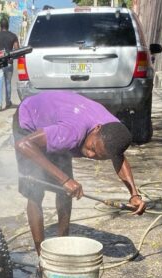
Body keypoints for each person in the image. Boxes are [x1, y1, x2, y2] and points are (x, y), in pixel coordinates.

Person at [14, 91, 146, 256]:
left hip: (57, 122)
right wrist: (64, 179)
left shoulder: (113, 131)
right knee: (35, 191)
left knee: (66, 192)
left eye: (98, 156)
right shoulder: (71, 133)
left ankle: (62, 244)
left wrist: (134, 194)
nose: (90, 155)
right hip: (29, 119)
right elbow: (23, 144)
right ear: (96, 129)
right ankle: (43, 257)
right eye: (92, 148)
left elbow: (119, 156)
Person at [0, 19, 19, 111]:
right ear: (8, 26)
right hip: (9, 62)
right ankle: (8, 102)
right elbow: (17, 49)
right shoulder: (13, 36)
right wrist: (11, 57)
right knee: (8, 83)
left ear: (0, 26)